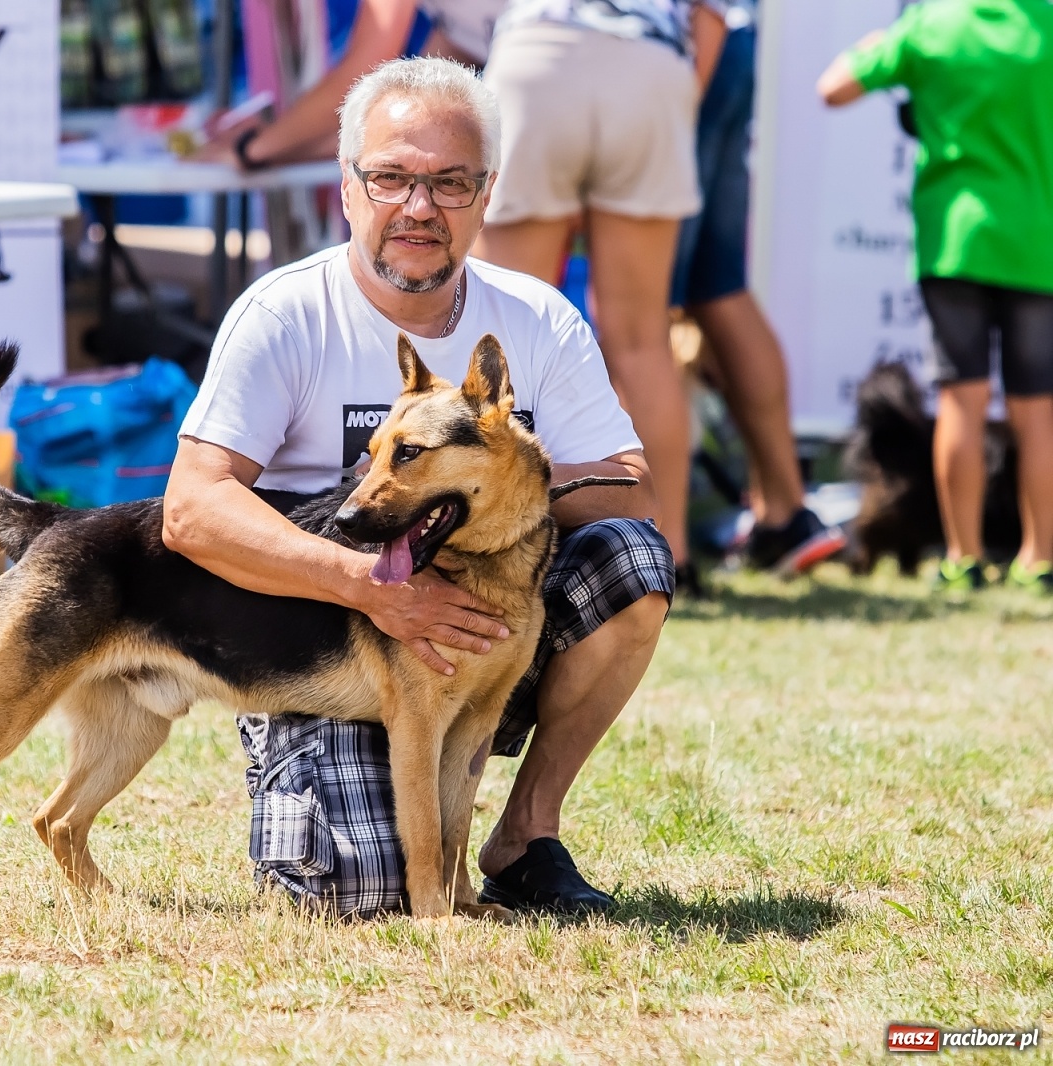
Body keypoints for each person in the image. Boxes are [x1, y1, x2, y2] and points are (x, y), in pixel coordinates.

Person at [163, 57, 674, 916]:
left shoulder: (538, 318)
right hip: (325, 638)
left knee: (633, 562)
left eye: (450, 182)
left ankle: (525, 833)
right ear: (348, 186)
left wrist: (499, 479)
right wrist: (369, 585)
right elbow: (191, 508)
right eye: (392, 177)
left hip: (495, 634)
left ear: (487, 194)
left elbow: (628, 491)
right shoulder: (285, 315)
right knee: (360, 892)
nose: (420, 206)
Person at [472, 1, 728, 592]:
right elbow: (711, 16)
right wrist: (675, 101)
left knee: (501, 333)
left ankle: (488, 543)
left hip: (539, 54)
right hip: (648, 62)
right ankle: (672, 552)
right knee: (642, 341)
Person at [819, 0, 1053, 595]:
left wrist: (876, 45)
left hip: (955, 241)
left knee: (961, 402)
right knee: (1037, 411)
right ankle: (1039, 559)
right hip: (1037, 240)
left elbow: (834, 88)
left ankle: (962, 557)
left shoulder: (932, 24)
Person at [672, 3, 847, 573]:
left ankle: (659, 542)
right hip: (726, 40)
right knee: (718, 290)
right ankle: (786, 513)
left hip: (685, 48)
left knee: (644, 319)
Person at [192, 0, 507, 169]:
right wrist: (269, 148)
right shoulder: (457, 26)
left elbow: (359, 77)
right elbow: (405, 129)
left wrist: (252, 149)